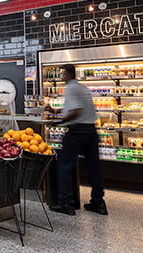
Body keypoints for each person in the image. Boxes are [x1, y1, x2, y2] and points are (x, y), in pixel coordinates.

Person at [45, 64, 107, 216]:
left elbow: (75, 111)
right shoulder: (82, 88)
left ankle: (66, 203)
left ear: (68, 74)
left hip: (77, 132)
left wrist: (57, 122)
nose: (61, 76)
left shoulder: (71, 88)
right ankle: (98, 203)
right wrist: (55, 111)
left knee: (64, 165)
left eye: (62, 74)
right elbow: (74, 107)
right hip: (91, 131)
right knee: (94, 167)